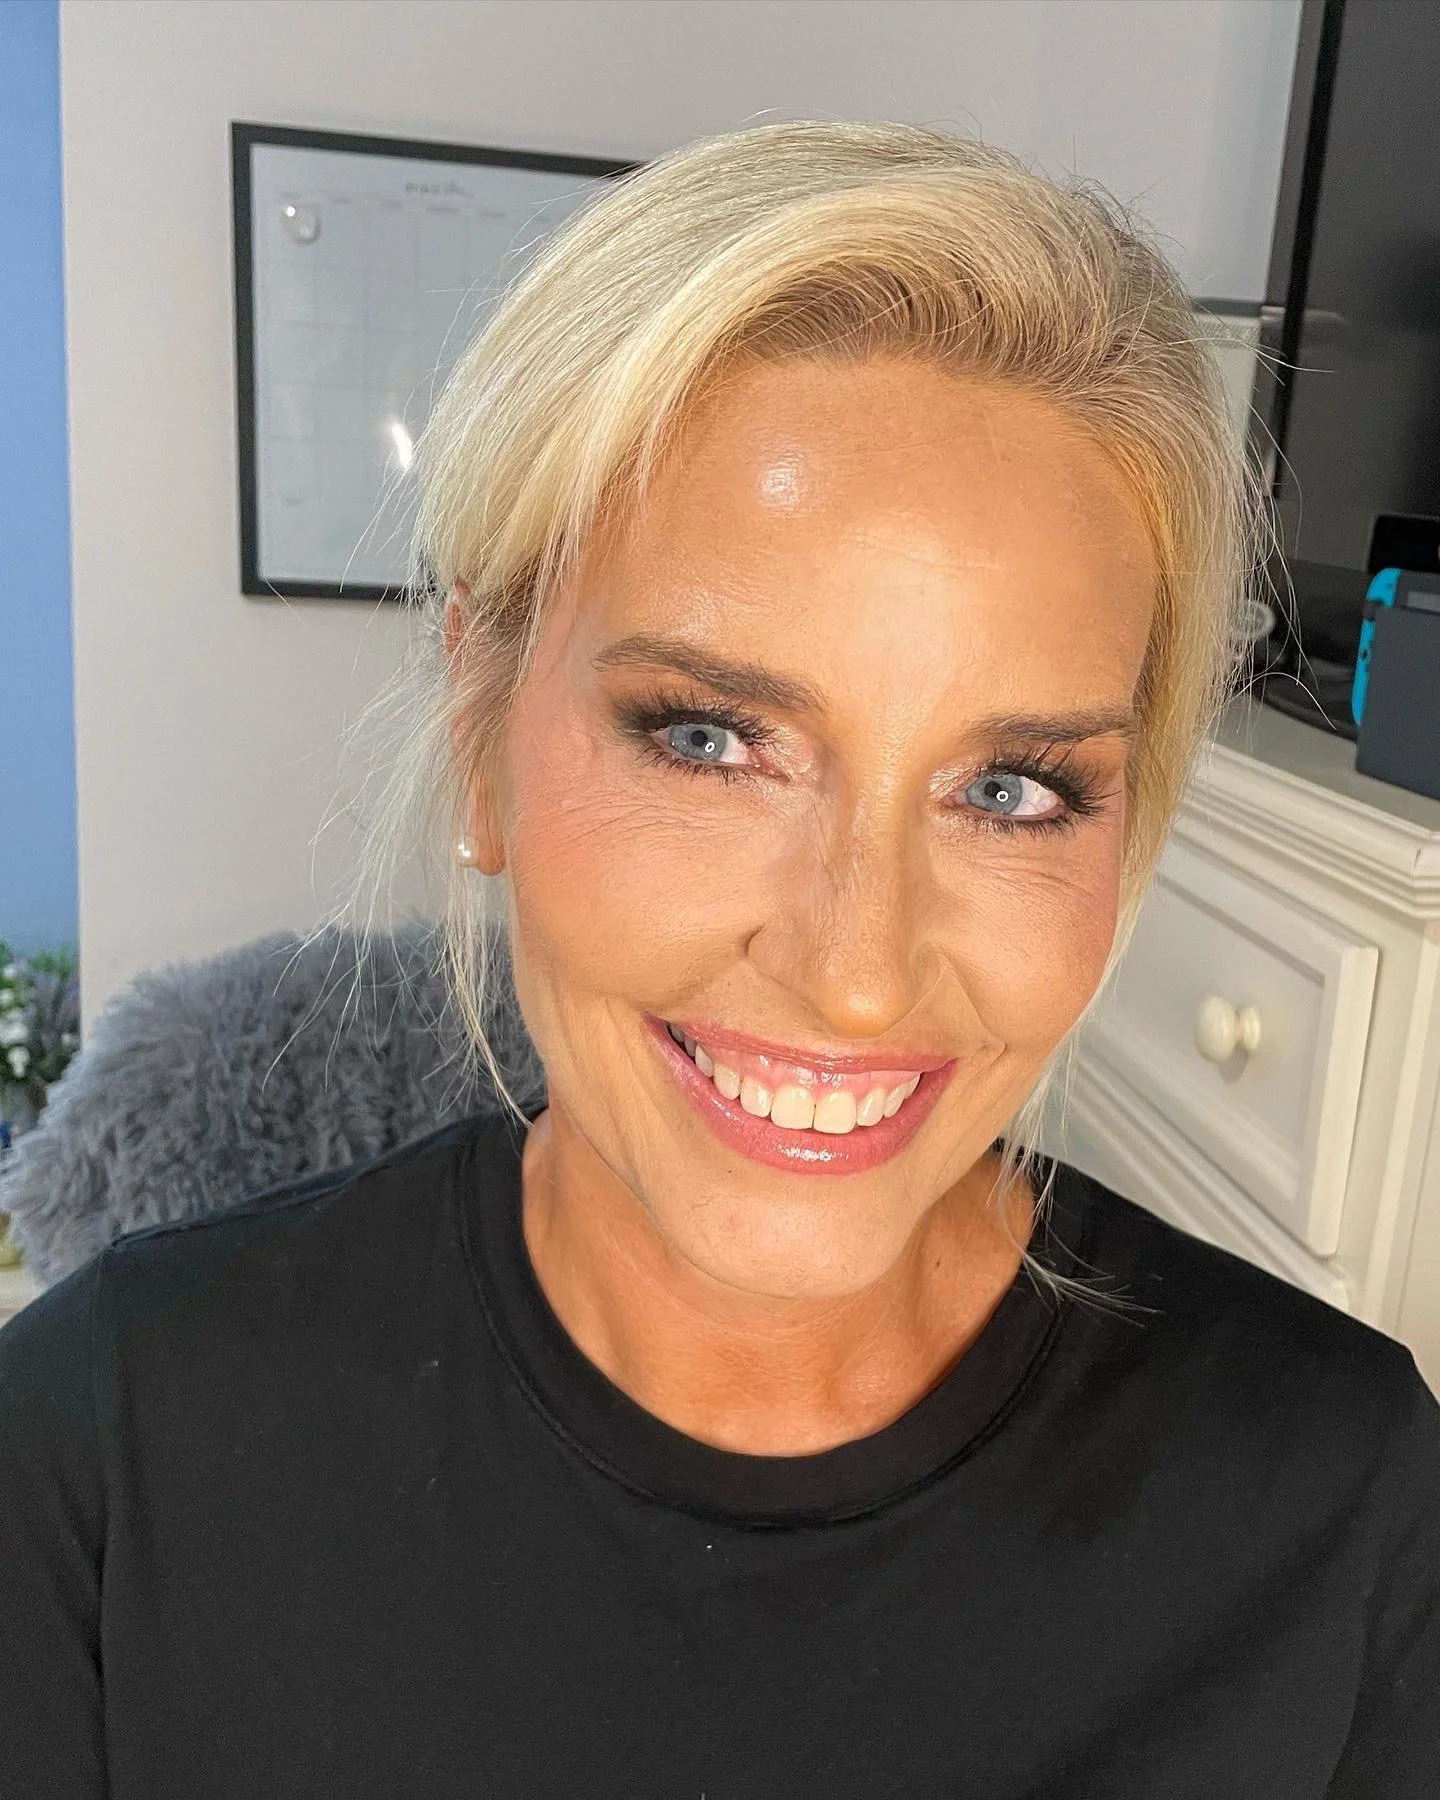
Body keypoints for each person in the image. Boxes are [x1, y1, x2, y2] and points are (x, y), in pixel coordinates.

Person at [2, 120, 1437, 1799]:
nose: (857, 974)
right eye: (709, 738)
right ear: (482, 722)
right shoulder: (105, 1449)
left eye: (1011, 788)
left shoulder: (1341, 1505)